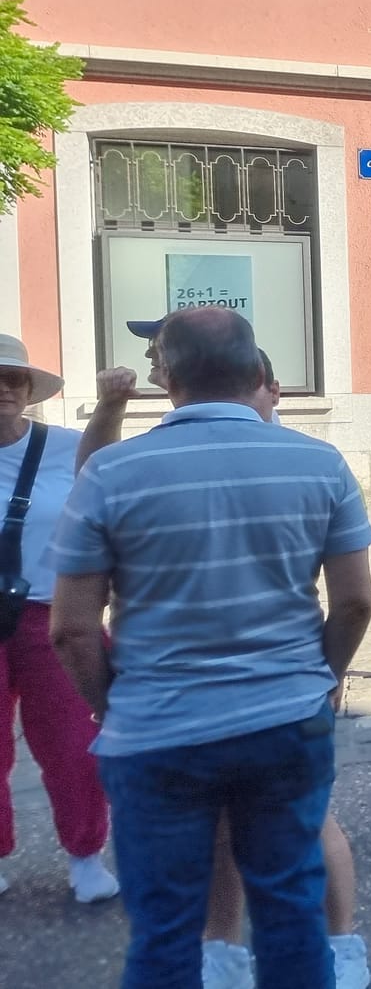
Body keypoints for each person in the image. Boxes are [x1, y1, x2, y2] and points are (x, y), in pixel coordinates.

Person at [49, 307, 371, 988]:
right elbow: (354, 601)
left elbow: (72, 628)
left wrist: (118, 707)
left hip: (156, 731)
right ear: (258, 374)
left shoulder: (110, 474)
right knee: (290, 914)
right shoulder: (319, 461)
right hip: (285, 723)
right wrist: (316, 678)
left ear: (164, 377)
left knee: (166, 932)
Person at [185, 350, 370, 989]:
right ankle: (236, 950)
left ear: (271, 388)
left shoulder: (175, 457)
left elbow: (352, 601)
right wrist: (328, 668)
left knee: (295, 818)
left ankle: (325, 945)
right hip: (287, 676)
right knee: (258, 819)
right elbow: (354, 599)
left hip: (243, 678)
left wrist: (327, 667)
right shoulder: (316, 462)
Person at [0, 336, 117, 904]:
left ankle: (86, 855)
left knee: (73, 742)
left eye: (13, 379)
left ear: (27, 391)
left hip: (50, 613)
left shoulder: (64, 447)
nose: (2, 389)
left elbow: (107, 486)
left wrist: (110, 405)